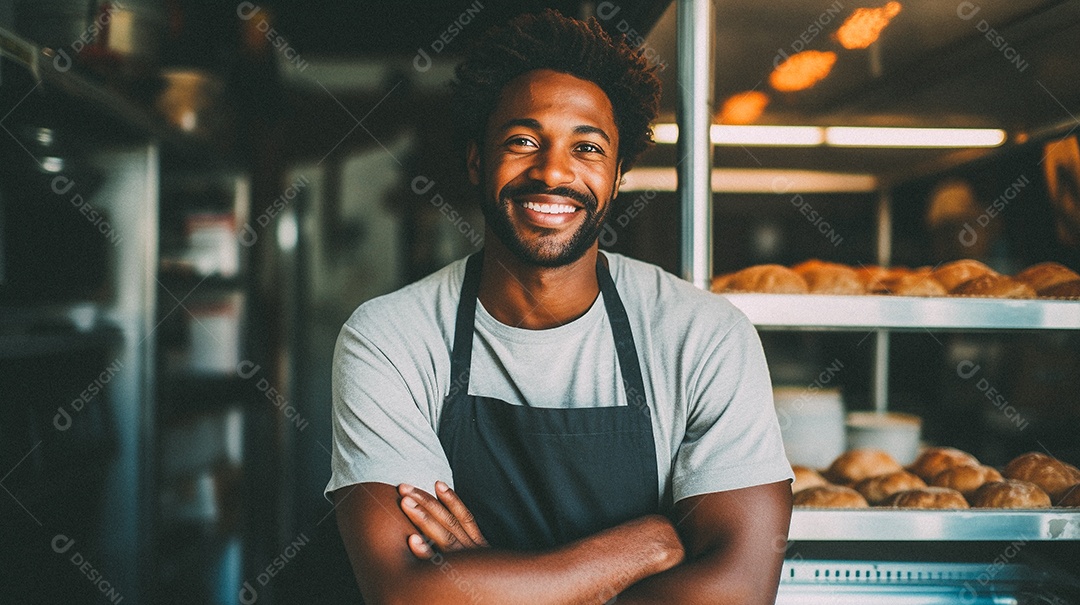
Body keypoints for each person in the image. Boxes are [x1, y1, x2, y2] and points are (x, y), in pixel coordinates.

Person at [328, 10, 793, 604]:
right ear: (477, 160)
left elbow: (739, 590)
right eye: (523, 141)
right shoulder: (390, 337)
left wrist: (492, 585)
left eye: (588, 148)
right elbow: (406, 594)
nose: (552, 171)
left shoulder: (703, 336)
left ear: (619, 175)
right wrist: (638, 548)